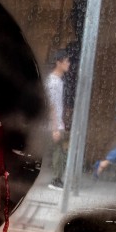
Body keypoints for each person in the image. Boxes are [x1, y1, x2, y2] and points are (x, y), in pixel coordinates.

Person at [44, 50, 70, 191]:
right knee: (58, 151)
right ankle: (56, 181)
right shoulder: (53, 82)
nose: (68, 64)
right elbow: (51, 106)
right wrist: (55, 127)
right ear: (58, 63)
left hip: (57, 122)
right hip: (53, 123)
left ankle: (57, 179)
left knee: (59, 150)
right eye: (66, 61)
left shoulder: (58, 81)